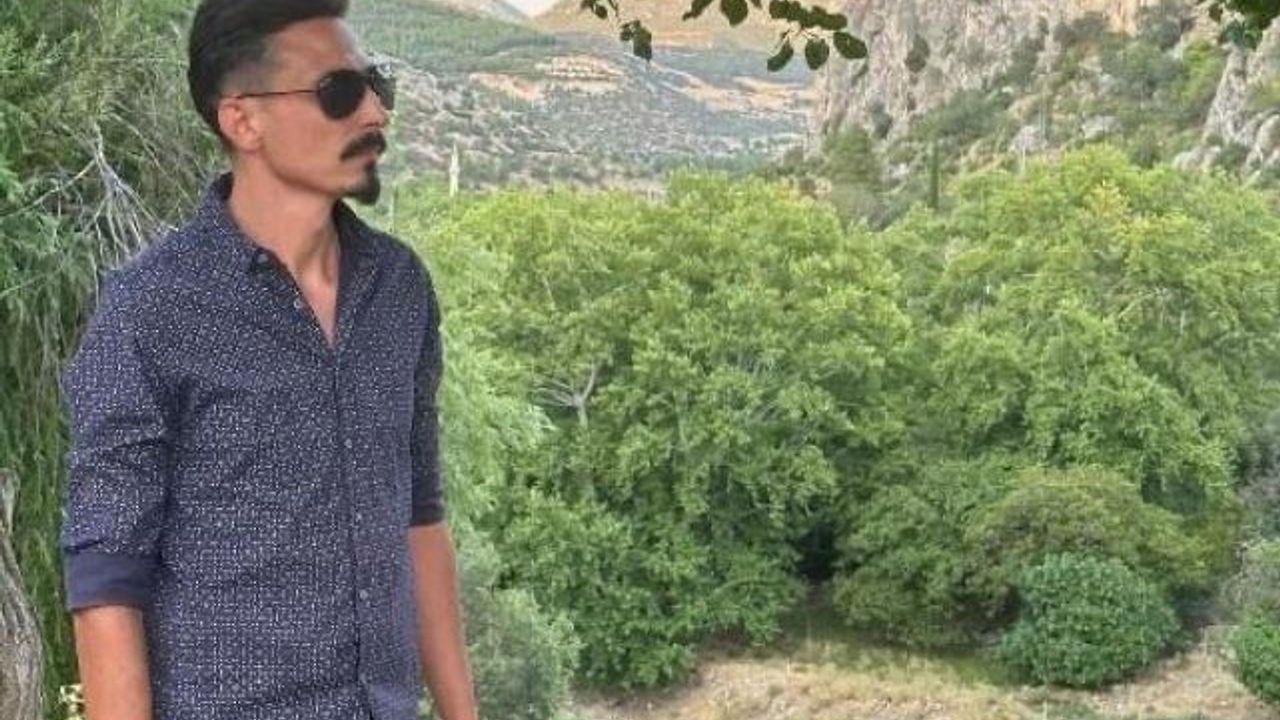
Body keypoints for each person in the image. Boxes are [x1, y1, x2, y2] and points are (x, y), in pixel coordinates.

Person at [56, 1, 479, 718]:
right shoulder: (149, 310)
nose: (375, 111)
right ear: (243, 121)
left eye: (377, 85)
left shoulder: (400, 288)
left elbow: (420, 517)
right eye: (339, 92)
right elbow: (106, 576)